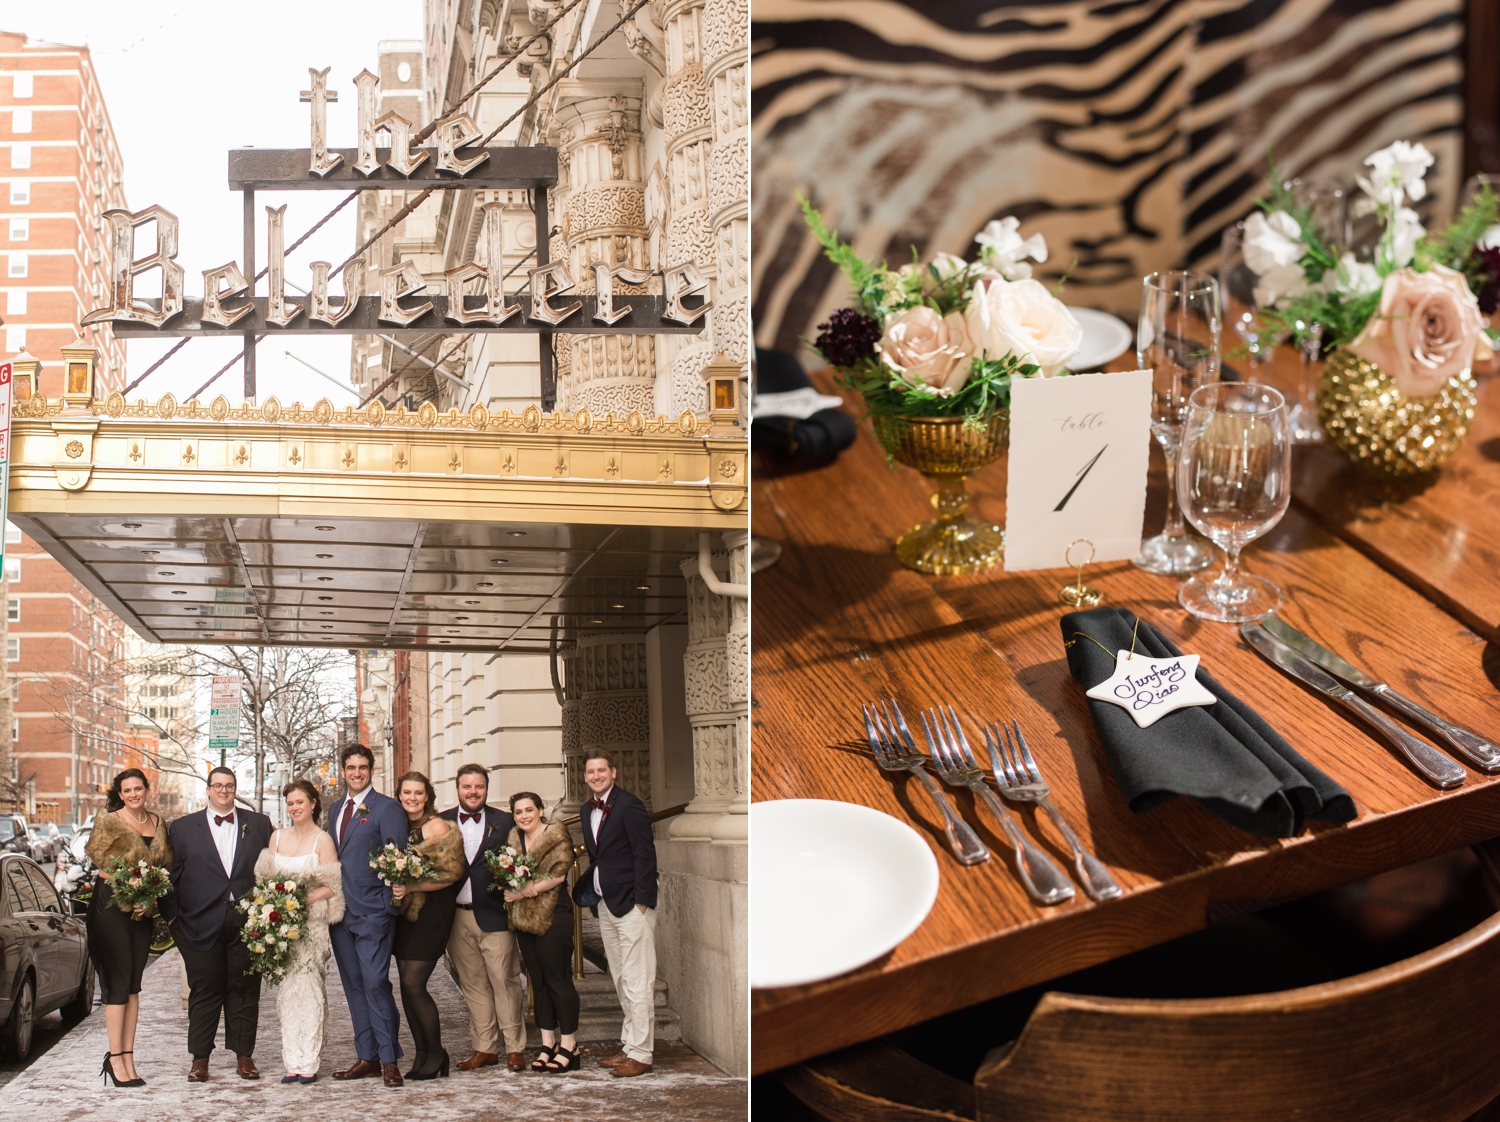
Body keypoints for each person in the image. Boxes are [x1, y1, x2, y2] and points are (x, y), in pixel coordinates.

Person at [162, 766, 273, 1083]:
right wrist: (173, 920)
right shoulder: (182, 829)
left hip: (248, 922)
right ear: (208, 790)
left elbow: (271, 869)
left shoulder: (259, 824)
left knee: (244, 989)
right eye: (218, 786)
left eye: (230, 786)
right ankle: (200, 1059)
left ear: (235, 789)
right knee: (205, 992)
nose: (224, 791)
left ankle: (244, 1056)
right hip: (199, 924)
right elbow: (171, 878)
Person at [326, 744, 410, 1086]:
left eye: (362, 767)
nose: (356, 772)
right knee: (354, 987)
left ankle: (389, 1059)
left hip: (373, 912)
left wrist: (388, 905)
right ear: (343, 771)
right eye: (351, 767)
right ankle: (367, 1057)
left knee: (376, 983)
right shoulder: (334, 810)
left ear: (371, 770)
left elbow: (398, 858)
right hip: (340, 915)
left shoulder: (387, 807)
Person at [85, 768, 173, 1089]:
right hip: (111, 908)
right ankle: (114, 1057)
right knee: (117, 982)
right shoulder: (109, 821)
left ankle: (128, 1058)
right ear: (120, 794)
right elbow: (102, 867)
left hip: (142, 910)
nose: (134, 794)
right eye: (127, 790)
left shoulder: (158, 824)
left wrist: (149, 898)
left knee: (134, 983)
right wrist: (132, 885)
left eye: (139, 788)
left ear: (146, 790)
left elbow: (162, 867)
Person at [252, 779, 343, 1084]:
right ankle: (292, 1060)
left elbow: (333, 886)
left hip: (310, 928)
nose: (294, 808)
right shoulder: (277, 837)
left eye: (300, 802)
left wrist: (297, 901)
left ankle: (309, 1061)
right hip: (280, 927)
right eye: (290, 803)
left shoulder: (323, 841)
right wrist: (274, 907)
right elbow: (263, 880)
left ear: (313, 804)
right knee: (287, 993)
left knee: (309, 989)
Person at [439, 762, 526, 1072]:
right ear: (458, 788)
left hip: (495, 914)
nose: (473, 792)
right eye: (467, 786)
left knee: (505, 980)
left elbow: (520, 861)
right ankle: (484, 1047)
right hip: (457, 916)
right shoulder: (442, 822)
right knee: (473, 984)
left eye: (478, 786)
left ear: (486, 789)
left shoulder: (504, 822)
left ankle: (515, 1047)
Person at [580, 749, 659, 1077]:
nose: (596, 776)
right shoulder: (587, 810)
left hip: (632, 905)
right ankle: (629, 1045)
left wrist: (643, 901)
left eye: (601, 770)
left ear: (613, 772)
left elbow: (645, 853)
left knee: (639, 979)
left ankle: (642, 1053)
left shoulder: (630, 805)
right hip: (605, 904)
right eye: (590, 772)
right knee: (621, 976)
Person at [389, 771, 465, 1080]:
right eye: (407, 792)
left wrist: (411, 887)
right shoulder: (401, 826)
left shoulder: (436, 826)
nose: (412, 798)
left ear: (427, 796)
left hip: (432, 914)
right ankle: (422, 1054)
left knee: (413, 984)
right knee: (406, 989)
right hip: (405, 917)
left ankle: (437, 1052)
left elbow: (452, 874)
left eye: (418, 793)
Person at [502, 791, 581, 1073]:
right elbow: (504, 873)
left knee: (558, 979)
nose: (524, 816)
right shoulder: (513, 840)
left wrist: (524, 891)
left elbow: (559, 875)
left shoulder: (556, 834)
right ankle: (548, 1042)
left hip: (553, 917)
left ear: (540, 810)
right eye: (518, 812)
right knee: (538, 981)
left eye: (529, 810)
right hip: (524, 921)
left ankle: (570, 1045)